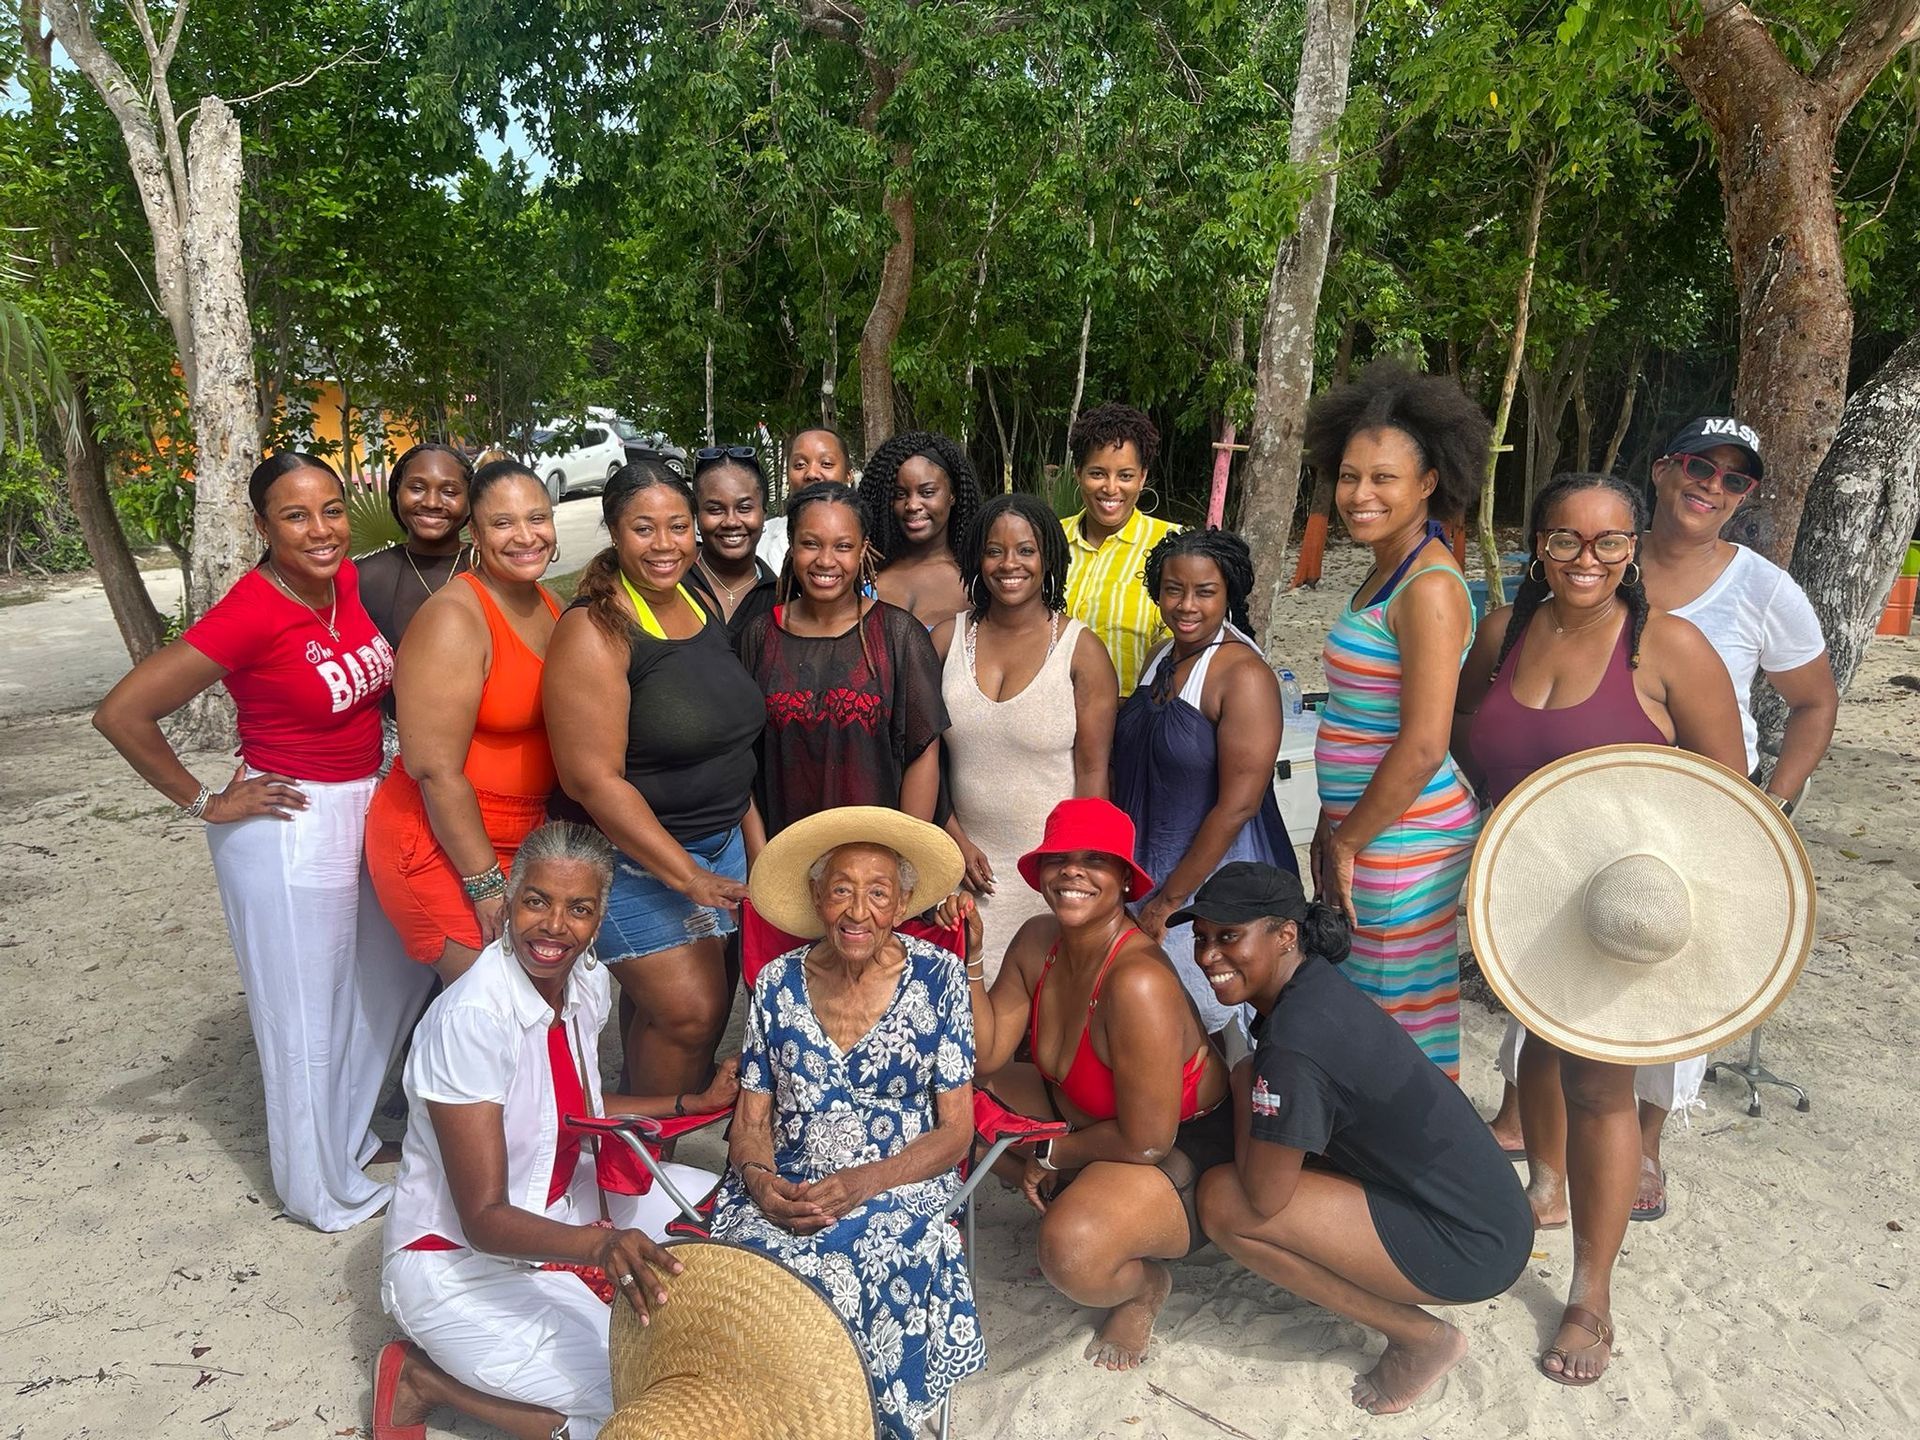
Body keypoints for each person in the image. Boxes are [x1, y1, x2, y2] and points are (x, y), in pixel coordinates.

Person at [1489, 417, 1840, 1219]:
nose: (1710, 485)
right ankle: (1534, 1139)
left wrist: (1771, 807)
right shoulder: (1602, 549)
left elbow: (1815, 702)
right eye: (1696, 465)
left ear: (1746, 495)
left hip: (1691, 820)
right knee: (1551, 993)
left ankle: (1644, 1146)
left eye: (1733, 479)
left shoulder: (1760, 589)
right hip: (1572, 818)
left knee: (1661, 985)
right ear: (1660, 470)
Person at [1454, 471, 1746, 1385]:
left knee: (1599, 1090)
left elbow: (1728, 800)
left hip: (1627, 909)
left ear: (1634, 548)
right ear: (1534, 543)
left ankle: (1590, 1296)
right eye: (1566, 539)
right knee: (1536, 1042)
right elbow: (1467, 736)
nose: (1588, 560)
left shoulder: (1670, 649)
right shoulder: (1502, 634)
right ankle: (1545, 1187)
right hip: (1527, 893)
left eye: (1610, 542)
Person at [93, 452, 431, 1231]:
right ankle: (316, 1189)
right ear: (261, 526)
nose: (321, 530)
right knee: (303, 1017)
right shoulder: (250, 609)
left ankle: (341, 1138)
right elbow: (121, 713)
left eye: (333, 509)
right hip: (288, 826)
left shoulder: (343, 581)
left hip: (363, 808)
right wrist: (205, 801)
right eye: (296, 516)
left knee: (390, 980)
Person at [372, 822, 738, 1440]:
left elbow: (576, 1104)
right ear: (509, 904)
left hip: (560, 1207)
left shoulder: (585, 982)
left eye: (580, 909)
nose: (554, 926)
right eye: (537, 901)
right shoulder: (473, 1019)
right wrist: (599, 1247)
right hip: (460, 1261)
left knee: (726, 1217)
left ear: (599, 921)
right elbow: (485, 1218)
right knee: (640, 1397)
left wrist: (689, 1100)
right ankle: (421, 1379)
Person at [1189, 862, 1532, 1415]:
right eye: (1201, 938)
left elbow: (1264, 1197)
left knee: (1224, 1202)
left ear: (1285, 935)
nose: (1207, 956)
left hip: (1469, 1248)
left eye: (1229, 936)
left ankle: (1420, 1338)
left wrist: (1246, 1089)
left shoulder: (1295, 1044)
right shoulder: (1315, 986)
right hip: (1492, 1214)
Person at [713, 806, 983, 1440]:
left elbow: (956, 1132)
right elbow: (751, 1118)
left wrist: (868, 1181)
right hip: (791, 1181)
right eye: (841, 890)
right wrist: (759, 1180)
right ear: (815, 897)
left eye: (877, 893)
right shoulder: (776, 982)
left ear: (903, 902)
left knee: (846, 1261)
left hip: (899, 1181)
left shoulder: (938, 977)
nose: (857, 911)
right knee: (747, 1271)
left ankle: (855, 1423)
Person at [959, 797, 1233, 1372]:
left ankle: (1143, 1286)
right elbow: (985, 1055)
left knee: (1072, 1253)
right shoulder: (1038, 940)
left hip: (1179, 1148)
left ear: (1124, 882)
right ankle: (1082, 1188)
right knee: (947, 1099)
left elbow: (1149, 1141)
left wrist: (1049, 1154)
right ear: (1041, 875)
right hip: (1091, 1116)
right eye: (1059, 859)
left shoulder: (1137, 982)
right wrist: (972, 956)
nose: (1072, 873)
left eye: (1095, 861)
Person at [544, 459, 765, 1099]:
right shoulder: (594, 630)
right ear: (615, 531)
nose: (665, 544)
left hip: (720, 845)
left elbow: (728, 744)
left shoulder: (694, 601)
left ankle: (637, 1170)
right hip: (637, 860)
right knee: (689, 1015)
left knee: (672, 1021)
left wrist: (754, 842)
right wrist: (686, 874)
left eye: (678, 526)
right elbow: (593, 780)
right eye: (644, 529)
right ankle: (641, 1178)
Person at [1302, 362, 1489, 1079]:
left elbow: (1421, 744)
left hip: (1405, 834)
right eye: (1350, 476)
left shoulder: (1430, 587)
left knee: (1394, 1010)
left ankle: (1411, 1167)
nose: (1360, 494)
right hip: (1370, 826)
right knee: (1377, 1000)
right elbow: (1360, 715)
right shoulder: (1387, 567)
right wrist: (1333, 822)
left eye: (1384, 478)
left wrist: (1348, 843)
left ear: (1429, 482)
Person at [366, 459, 562, 984]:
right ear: (474, 533)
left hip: (526, 835)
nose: (526, 537)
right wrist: (485, 885)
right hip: (442, 843)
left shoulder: (551, 603)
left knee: (536, 1004)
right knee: (492, 1004)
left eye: (537, 519)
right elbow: (434, 770)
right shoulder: (455, 618)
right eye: (503, 524)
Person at [1112, 528, 1292, 1037]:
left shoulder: (1243, 675)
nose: (1186, 605)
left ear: (1229, 593)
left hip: (1210, 891)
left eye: (1205, 592)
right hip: (1148, 879)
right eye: (1173, 590)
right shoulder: (1159, 660)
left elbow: (1238, 805)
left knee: (1214, 1027)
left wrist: (1170, 902)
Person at [932, 492, 1118, 981]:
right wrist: (953, 838)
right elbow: (918, 757)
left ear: (1049, 558)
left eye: (1026, 550)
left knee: (1042, 1027)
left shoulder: (1082, 651)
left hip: (1050, 877)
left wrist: (1079, 870)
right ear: (977, 558)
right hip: (963, 872)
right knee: (970, 1026)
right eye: (994, 550)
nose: (1009, 564)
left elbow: (1094, 772)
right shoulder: (944, 640)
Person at [738, 481, 949, 835]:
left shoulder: (899, 635)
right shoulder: (759, 636)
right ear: (791, 547)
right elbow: (739, 759)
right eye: (810, 544)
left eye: (843, 546)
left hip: (875, 862)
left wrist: (904, 855)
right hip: (784, 856)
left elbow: (923, 752)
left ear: (863, 549)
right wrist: (760, 853)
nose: (826, 560)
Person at [1059, 402, 1179, 694]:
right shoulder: (1047, 539)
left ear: (1142, 477)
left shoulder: (1174, 545)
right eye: (1097, 473)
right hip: (1048, 724)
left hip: (1136, 722)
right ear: (1078, 473)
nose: (1111, 488)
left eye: (1125, 476)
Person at [856, 429, 981, 627]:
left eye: (927, 492)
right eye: (899, 494)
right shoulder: (863, 575)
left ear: (953, 494)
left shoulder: (978, 581)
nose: (912, 505)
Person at [356, 443, 475, 647]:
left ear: (469, 501)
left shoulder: (489, 567)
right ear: (396, 492)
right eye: (417, 488)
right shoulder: (364, 577)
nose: (431, 502)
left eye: (449, 491)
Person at [681, 445, 778, 644]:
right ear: (697, 516)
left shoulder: (780, 596)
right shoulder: (674, 580)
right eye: (715, 510)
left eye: (744, 508)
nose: (731, 522)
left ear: (764, 514)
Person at [757, 425, 853, 570]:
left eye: (826, 464)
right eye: (800, 465)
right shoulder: (761, 539)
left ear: (848, 476)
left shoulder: (873, 543)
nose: (812, 474)